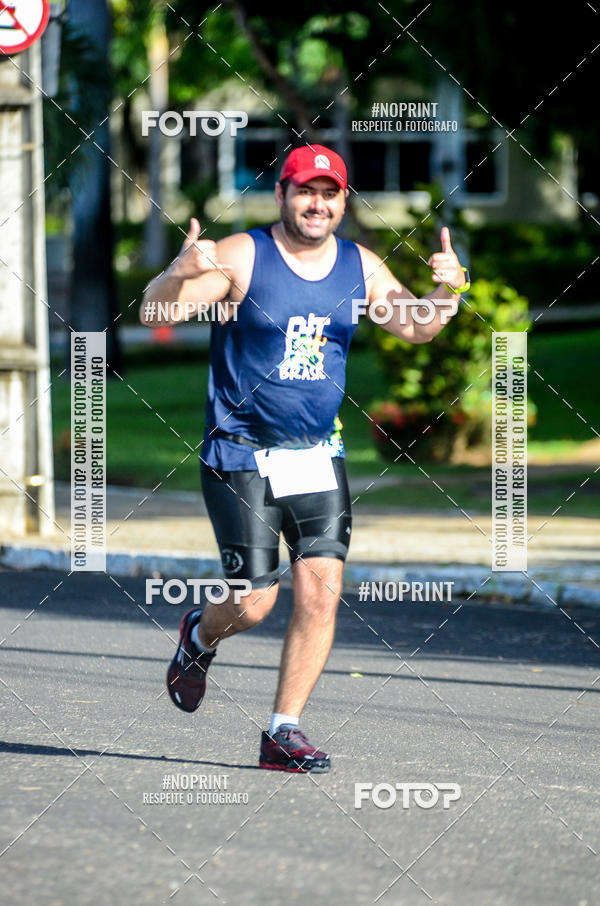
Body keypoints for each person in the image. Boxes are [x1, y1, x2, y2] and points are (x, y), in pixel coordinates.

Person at [140, 144, 469, 773]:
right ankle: (200, 635)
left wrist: (446, 294)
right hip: (240, 455)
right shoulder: (243, 255)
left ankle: (281, 733)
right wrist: (179, 270)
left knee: (321, 594)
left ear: (343, 201)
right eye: (305, 191)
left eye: (330, 193)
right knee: (255, 603)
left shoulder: (359, 265)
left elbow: (414, 325)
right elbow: (161, 310)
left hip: (319, 454)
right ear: (282, 196)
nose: (317, 204)